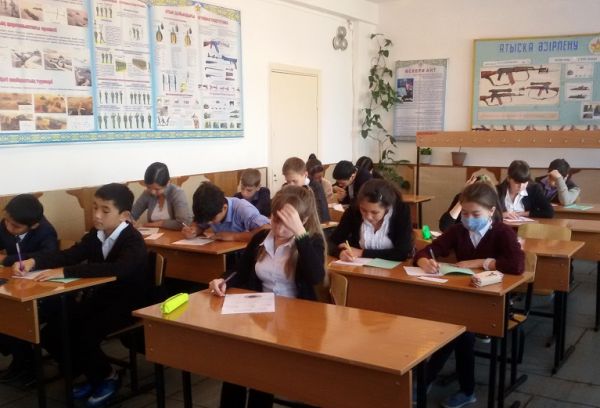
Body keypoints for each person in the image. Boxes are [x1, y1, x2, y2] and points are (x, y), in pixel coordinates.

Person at [13, 183, 148, 407]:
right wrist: (34, 261)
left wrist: (66, 272)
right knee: (52, 332)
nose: (97, 215)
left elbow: (117, 269)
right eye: (94, 207)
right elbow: (72, 254)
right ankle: (90, 372)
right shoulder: (96, 234)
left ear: (124, 215)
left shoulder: (133, 240)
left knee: (84, 334)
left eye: (105, 210)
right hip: (100, 300)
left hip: (128, 303)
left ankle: (107, 376)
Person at [208, 185, 326, 407]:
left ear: (302, 221)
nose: (278, 228)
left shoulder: (311, 241)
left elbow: (315, 277)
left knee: (262, 367)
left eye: (286, 223)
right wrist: (223, 281)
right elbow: (241, 271)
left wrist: (299, 234)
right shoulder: (261, 238)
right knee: (235, 362)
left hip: (296, 322)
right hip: (261, 314)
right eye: (274, 219)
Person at [414, 182, 524, 408]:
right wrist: (424, 261)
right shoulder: (458, 231)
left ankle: (461, 389)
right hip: (463, 297)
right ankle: (431, 382)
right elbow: (428, 250)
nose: (468, 218)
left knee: (459, 331)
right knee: (454, 327)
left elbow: (516, 265)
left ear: (491, 211)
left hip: (494, 302)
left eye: (475, 214)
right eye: (464, 213)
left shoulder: (502, 232)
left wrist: (480, 262)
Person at [0, 194, 58, 384]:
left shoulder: (46, 231)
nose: (9, 228)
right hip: (17, 286)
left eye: (15, 226)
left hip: (45, 294)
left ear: (33, 225)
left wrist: (6, 259)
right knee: (5, 312)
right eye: (6, 221)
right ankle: (20, 360)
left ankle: (29, 365)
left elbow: (48, 256)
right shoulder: (7, 223)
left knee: (14, 316)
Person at [329, 179, 413, 261]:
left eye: (375, 212)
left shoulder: (401, 212)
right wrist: (340, 253)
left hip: (396, 269)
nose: (368, 217)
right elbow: (330, 242)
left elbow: (403, 252)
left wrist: (361, 252)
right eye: (363, 210)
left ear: (387, 208)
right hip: (358, 267)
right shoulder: (353, 211)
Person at [182, 182, 270, 242]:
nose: (208, 223)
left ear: (224, 208)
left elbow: (267, 229)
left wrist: (234, 236)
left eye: (212, 219)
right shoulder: (209, 209)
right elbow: (199, 225)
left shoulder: (243, 209)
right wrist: (194, 230)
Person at [131, 162, 192, 230]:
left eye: (157, 189)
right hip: (153, 234)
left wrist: (151, 224)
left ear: (168, 183)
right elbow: (132, 215)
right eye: (149, 187)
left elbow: (183, 223)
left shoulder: (177, 193)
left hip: (175, 234)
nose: (152, 192)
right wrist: (129, 220)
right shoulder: (147, 193)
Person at [282, 157, 330, 223]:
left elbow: (322, 215)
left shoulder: (316, 187)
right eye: (288, 181)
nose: (291, 185)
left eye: (294, 181)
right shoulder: (286, 187)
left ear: (305, 174)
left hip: (315, 225)